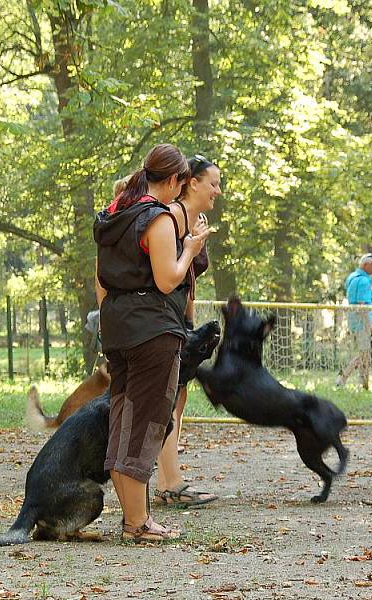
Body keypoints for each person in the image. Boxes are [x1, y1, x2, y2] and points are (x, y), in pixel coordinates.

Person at [94, 143, 212, 541]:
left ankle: (133, 522)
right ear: (178, 180)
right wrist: (191, 249)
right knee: (147, 424)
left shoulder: (113, 214)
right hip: (153, 331)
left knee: (122, 424)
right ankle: (139, 523)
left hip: (117, 329)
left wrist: (108, 326)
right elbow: (167, 278)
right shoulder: (156, 218)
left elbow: (101, 283)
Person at [154, 154, 222, 508]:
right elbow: (170, 273)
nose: (218, 190)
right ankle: (171, 484)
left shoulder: (194, 219)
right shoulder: (173, 217)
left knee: (177, 403)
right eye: (212, 183)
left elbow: (191, 276)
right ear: (191, 182)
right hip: (165, 320)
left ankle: (169, 482)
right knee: (167, 403)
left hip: (183, 318)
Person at [336, 253, 372, 390]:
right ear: (365, 265)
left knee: (366, 355)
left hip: (354, 321)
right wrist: (371, 325)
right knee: (364, 354)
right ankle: (342, 377)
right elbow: (363, 306)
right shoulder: (364, 281)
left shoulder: (352, 277)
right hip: (363, 322)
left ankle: (365, 384)